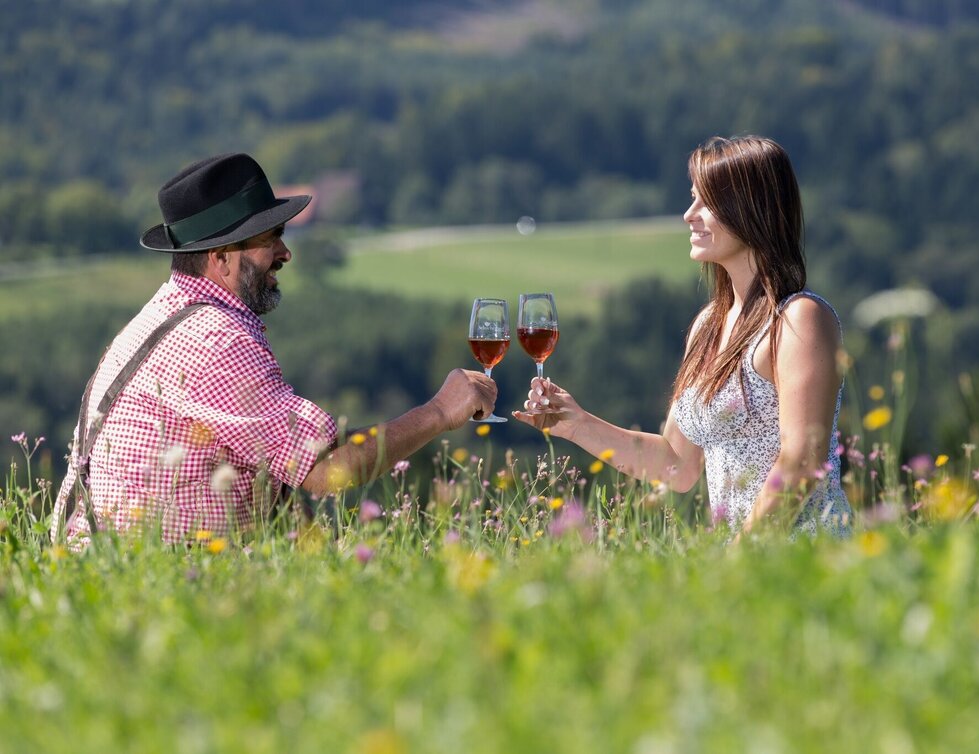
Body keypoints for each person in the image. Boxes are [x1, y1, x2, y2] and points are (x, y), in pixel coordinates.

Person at [50, 153, 496, 545]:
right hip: (159, 580)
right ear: (221, 255)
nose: (285, 253)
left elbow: (298, 447)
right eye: (269, 237)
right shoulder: (217, 340)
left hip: (109, 565)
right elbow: (326, 472)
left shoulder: (162, 315)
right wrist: (439, 412)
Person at [514, 135, 852, 537]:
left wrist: (743, 556)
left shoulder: (799, 320)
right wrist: (577, 424)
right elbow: (677, 464)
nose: (689, 215)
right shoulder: (708, 325)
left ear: (751, 209)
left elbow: (803, 459)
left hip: (803, 557)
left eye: (705, 202)